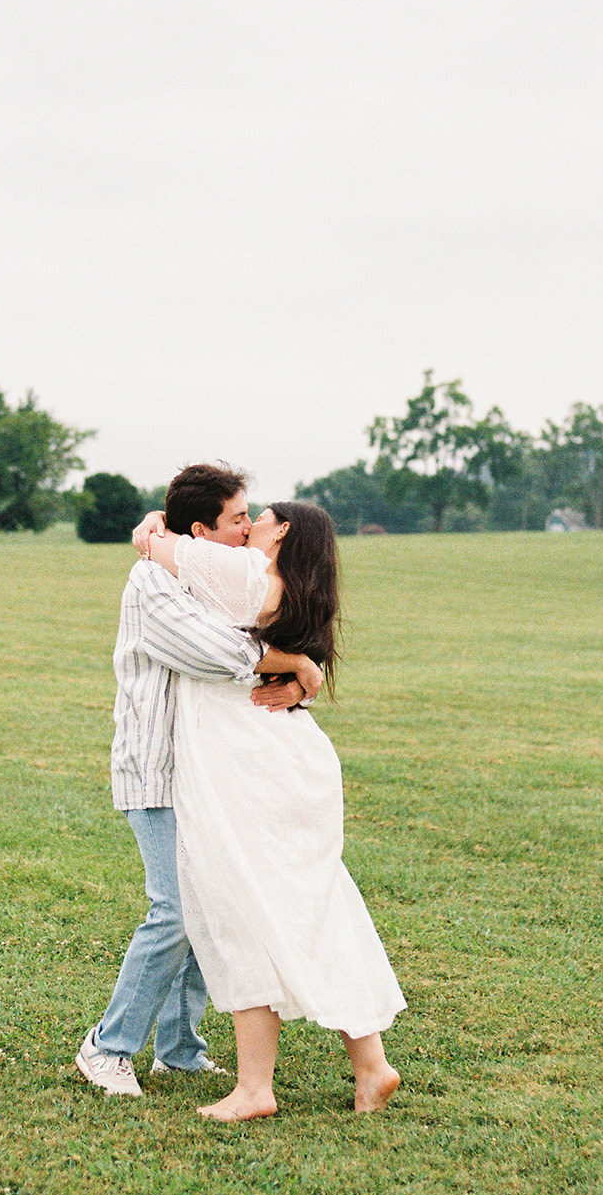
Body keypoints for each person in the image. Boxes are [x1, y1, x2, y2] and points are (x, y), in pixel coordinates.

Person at [137, 500, 406, 1121]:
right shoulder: (297, 591)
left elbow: (155, 543)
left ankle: (256, 1089)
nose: (246, 524)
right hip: (285, 756)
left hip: (244, 762)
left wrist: (153, 522)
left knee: (241, 907)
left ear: (281, 530)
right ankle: (371, 1065)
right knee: (311, 906)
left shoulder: (249, 576)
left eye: (256, 515)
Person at [76, 464, 321, 1097]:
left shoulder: (220, 580)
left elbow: (266, 642)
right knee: (176, 908)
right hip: (156, 772)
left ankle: (180, 1047)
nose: (248, 528)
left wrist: (301, 674)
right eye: (238, 519)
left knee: (210, 903)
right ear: (198, 531)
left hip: (215, 774)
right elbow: (218, 654)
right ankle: (107, 1047)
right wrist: (294, 663)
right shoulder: (153, 580)